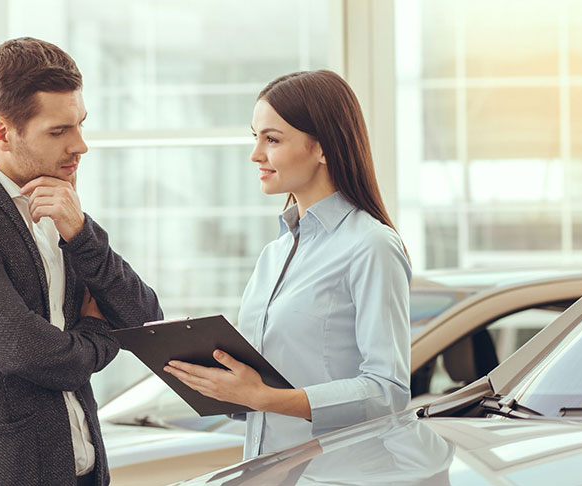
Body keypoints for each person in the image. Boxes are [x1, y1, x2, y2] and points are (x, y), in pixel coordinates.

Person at [0, 37, 163, 486]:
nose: (80, 145)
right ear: (2, 133)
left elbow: (145, 323)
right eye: (58, 132)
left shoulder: (59, 206)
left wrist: (82, 235)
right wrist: (99, 334)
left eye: (80, 125)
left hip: (81, 472)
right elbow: (26, 352)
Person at [164, 70, 411, 459]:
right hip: (264, 471)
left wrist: (264, 397)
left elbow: (388, 391)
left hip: (333, 475)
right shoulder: (274, 254)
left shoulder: (371, 245)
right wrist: (217, 378)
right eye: (256, 137)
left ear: (322, 148)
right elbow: (263, 390)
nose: (255, 154)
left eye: (272, 139)